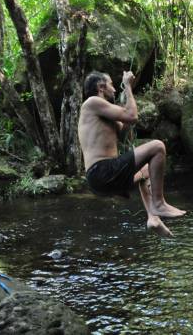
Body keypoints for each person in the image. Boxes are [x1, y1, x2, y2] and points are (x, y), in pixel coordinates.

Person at [78, 70, 185, 237]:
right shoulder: (92, 102)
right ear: (101, 87)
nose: (114, 89)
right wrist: (127, 86)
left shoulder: (103, 112)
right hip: (102, 170)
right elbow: (132, 116)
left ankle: (153, 218)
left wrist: (127, 99)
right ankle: (158, 203)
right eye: (112, 84)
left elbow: (124, 129)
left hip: (103, 178)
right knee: (157, 146)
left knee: (145, 172)